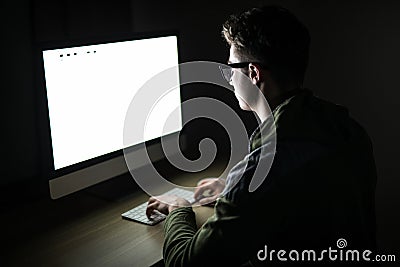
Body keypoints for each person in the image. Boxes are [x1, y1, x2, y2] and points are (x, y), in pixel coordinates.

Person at [146, 5, 377, 266]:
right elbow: (300, 199)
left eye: (231, 69)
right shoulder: (347, 130)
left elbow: (185, 263)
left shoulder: (262, 171)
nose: (230, 79)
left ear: (254, 73)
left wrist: (180, 209)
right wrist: (231, 191)